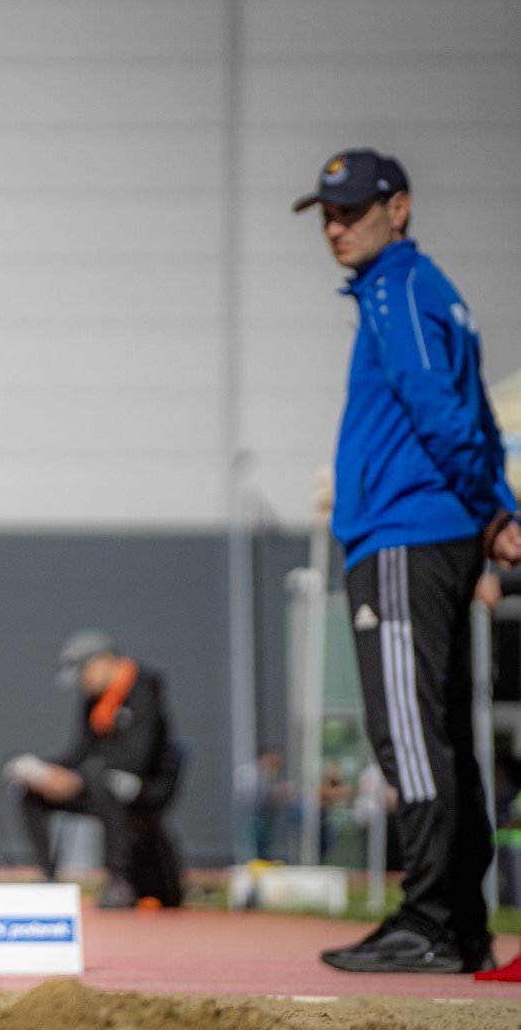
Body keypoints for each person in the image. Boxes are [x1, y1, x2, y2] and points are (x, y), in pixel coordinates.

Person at [291, 149, 521, 975]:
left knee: (410, 738)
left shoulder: (394, 286)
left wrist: (490, 503)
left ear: (401, 208)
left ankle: (427, 919)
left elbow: (437, 407)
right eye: (326, 213)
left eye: (351, 210)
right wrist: (493, 506)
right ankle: (459, 925)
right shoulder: (440, 294)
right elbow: (479, 416)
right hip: (438, 532)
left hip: (401, 534)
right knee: (444, 734)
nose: (336, 227)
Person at [5, 629, 181, 910]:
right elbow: (80, 750)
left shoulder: (144, 691)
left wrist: (79, 779)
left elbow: (137, 758)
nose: (80, 683)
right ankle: (47, 875)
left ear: (103, 662)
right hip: (95, 779)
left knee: (104, 783)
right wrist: (45, 770)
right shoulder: (94, 701)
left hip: (143, 786)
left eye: (82, 674)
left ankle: (120, 882)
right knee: (31, 790)